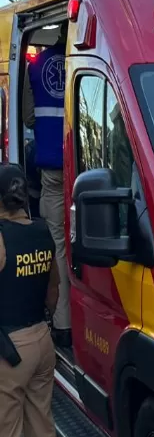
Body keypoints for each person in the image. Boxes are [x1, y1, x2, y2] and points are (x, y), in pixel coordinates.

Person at [0, 164, 60, 437]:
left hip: (10, 350)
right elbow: (54, 289)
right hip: (42, 340)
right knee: (42, 434)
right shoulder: (41, 231)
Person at [27, 34, 70, 348]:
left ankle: (62, 322)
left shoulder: (36, 65)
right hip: (86, 161)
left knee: (57, 243)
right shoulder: (87, 56)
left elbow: (29, 118)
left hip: (51, 166)